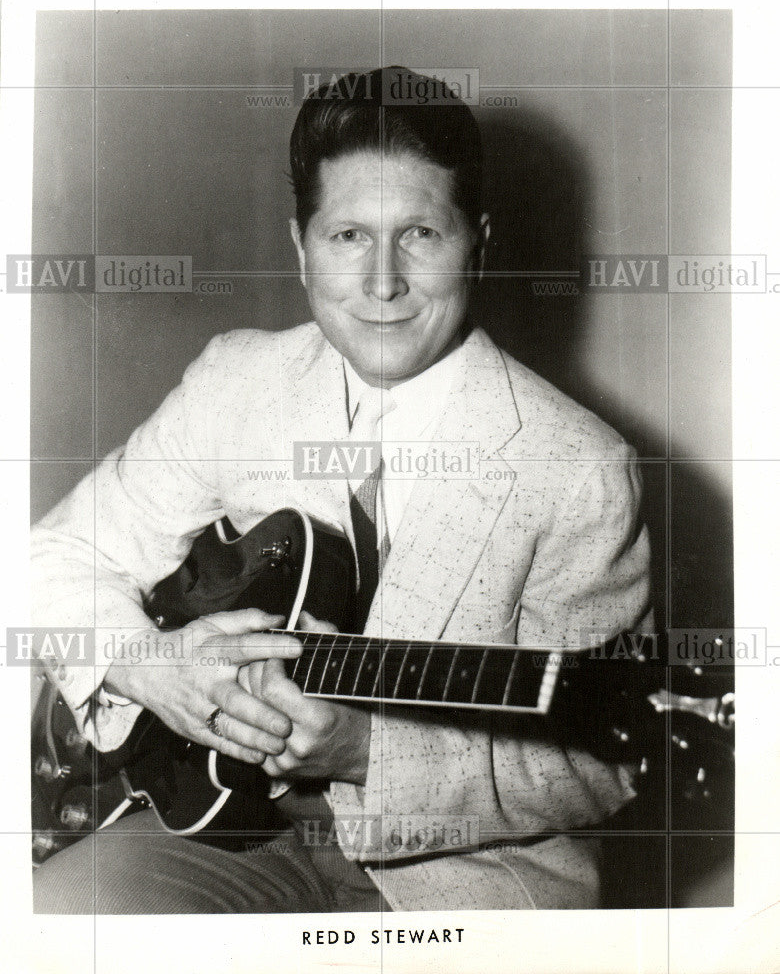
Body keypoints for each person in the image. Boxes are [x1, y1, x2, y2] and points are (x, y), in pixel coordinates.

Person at [31, 67, 652, 913]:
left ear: (480, 241)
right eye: (349, 236)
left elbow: (598, 765)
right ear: (300, 247)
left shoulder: (581, 468)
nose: (383, 282)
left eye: (422, 234)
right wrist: (154, 671)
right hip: (232, 831)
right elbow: (52, 556)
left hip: (464, 881)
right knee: (62, 919)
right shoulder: (237, 379)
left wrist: (366, 753)